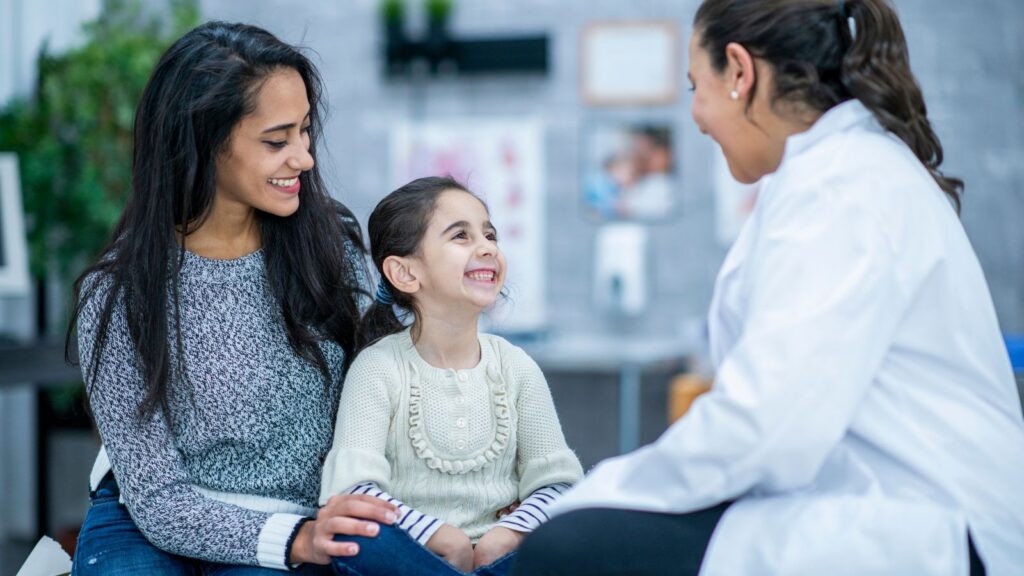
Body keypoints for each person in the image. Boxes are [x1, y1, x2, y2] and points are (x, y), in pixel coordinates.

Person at [513, 0, 1024, 574]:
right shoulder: (839, 171)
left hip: (932, 528)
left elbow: (767, 428)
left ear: (739, 71)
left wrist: (587, 495)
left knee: (569, 549)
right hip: (895, 505)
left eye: (694, 87)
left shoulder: (840, 186)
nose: (698, 117)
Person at [69, 22, 398, 574]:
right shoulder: (120, 291)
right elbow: (157, 499)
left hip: (295, 512)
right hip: (151, 519)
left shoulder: (330, 249)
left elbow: (385, 393)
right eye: (277, 141)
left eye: (305, 132)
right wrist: (297, 541)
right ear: (201, 141)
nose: (304, 158)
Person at [319, 176, 583, 576]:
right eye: (461, 236)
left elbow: (558, 485)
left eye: (490, 235)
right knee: (356, 537)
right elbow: (353, 493)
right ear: (405, 273)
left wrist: (508, 533)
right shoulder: (378, 368)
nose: (487, 247)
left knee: (582, 528)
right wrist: (439, 536)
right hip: (416, 558)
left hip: (501, 559)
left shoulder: (517, 367)